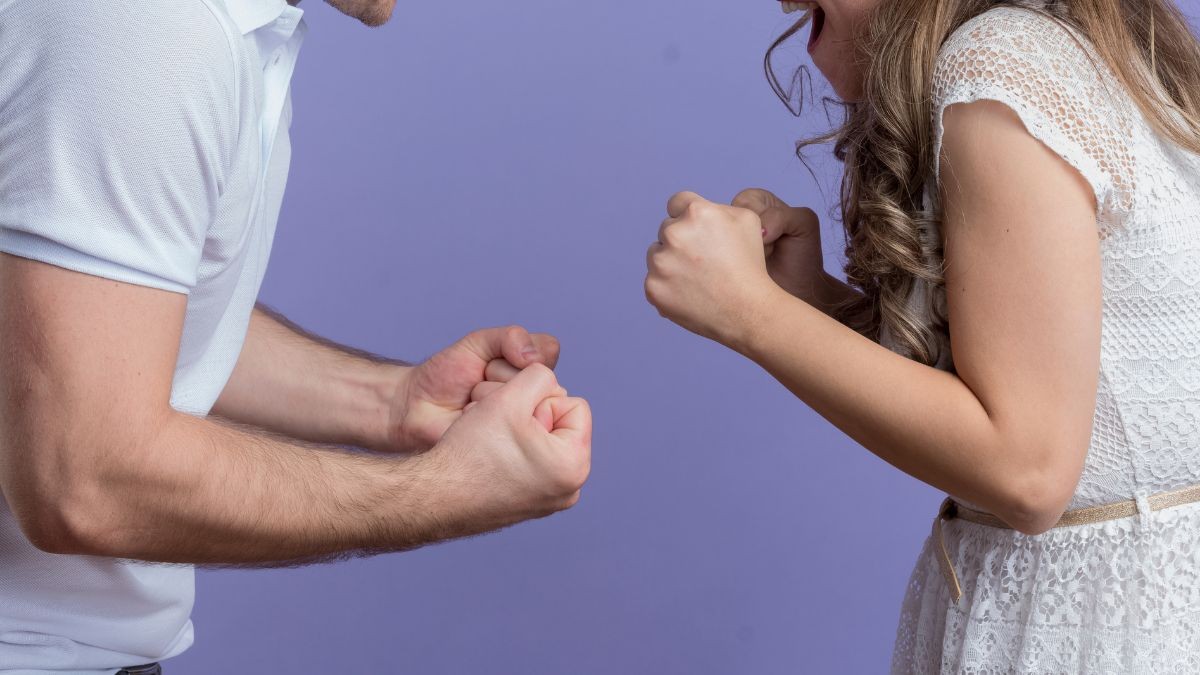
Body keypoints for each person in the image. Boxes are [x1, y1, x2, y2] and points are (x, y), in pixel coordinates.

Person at [0, 0, 592, 673]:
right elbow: (86, 478)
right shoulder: (148, 30)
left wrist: (391, 401)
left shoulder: (218, 33)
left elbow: (114, 321)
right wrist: (450, 487)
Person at [645, 0, 1200, 671]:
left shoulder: (1001, 64)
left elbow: (1029, 470)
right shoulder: (1067, 43)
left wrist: (752, 313)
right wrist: (811, 301)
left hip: (1095, 632)